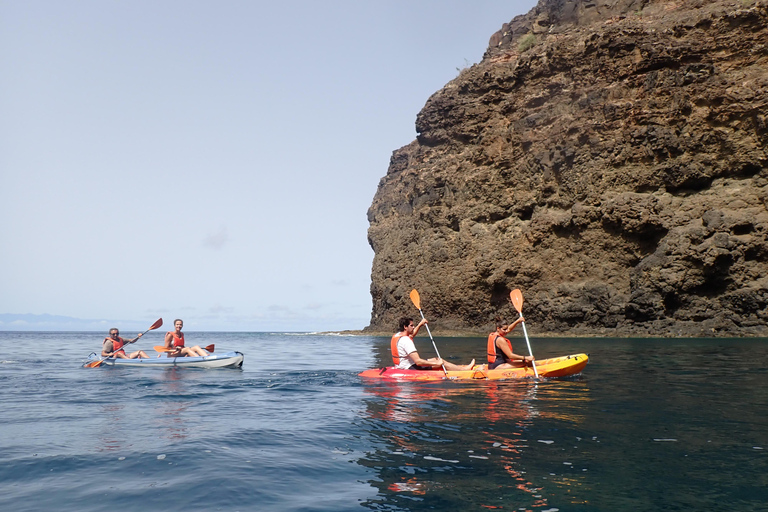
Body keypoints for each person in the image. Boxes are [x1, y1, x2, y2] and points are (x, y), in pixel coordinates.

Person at [391, 317, 474, 370]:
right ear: (405, 327)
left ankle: (457, 368)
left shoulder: (397, 335)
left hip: (401, 366)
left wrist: (420, 324)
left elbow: (411, 335)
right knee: (441, 363)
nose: (413, 327)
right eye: (411, 326)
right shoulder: (406, 340)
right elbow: (418, 362)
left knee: (437, 358)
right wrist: (436, 364)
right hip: (410, 368)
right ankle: (464, 370)